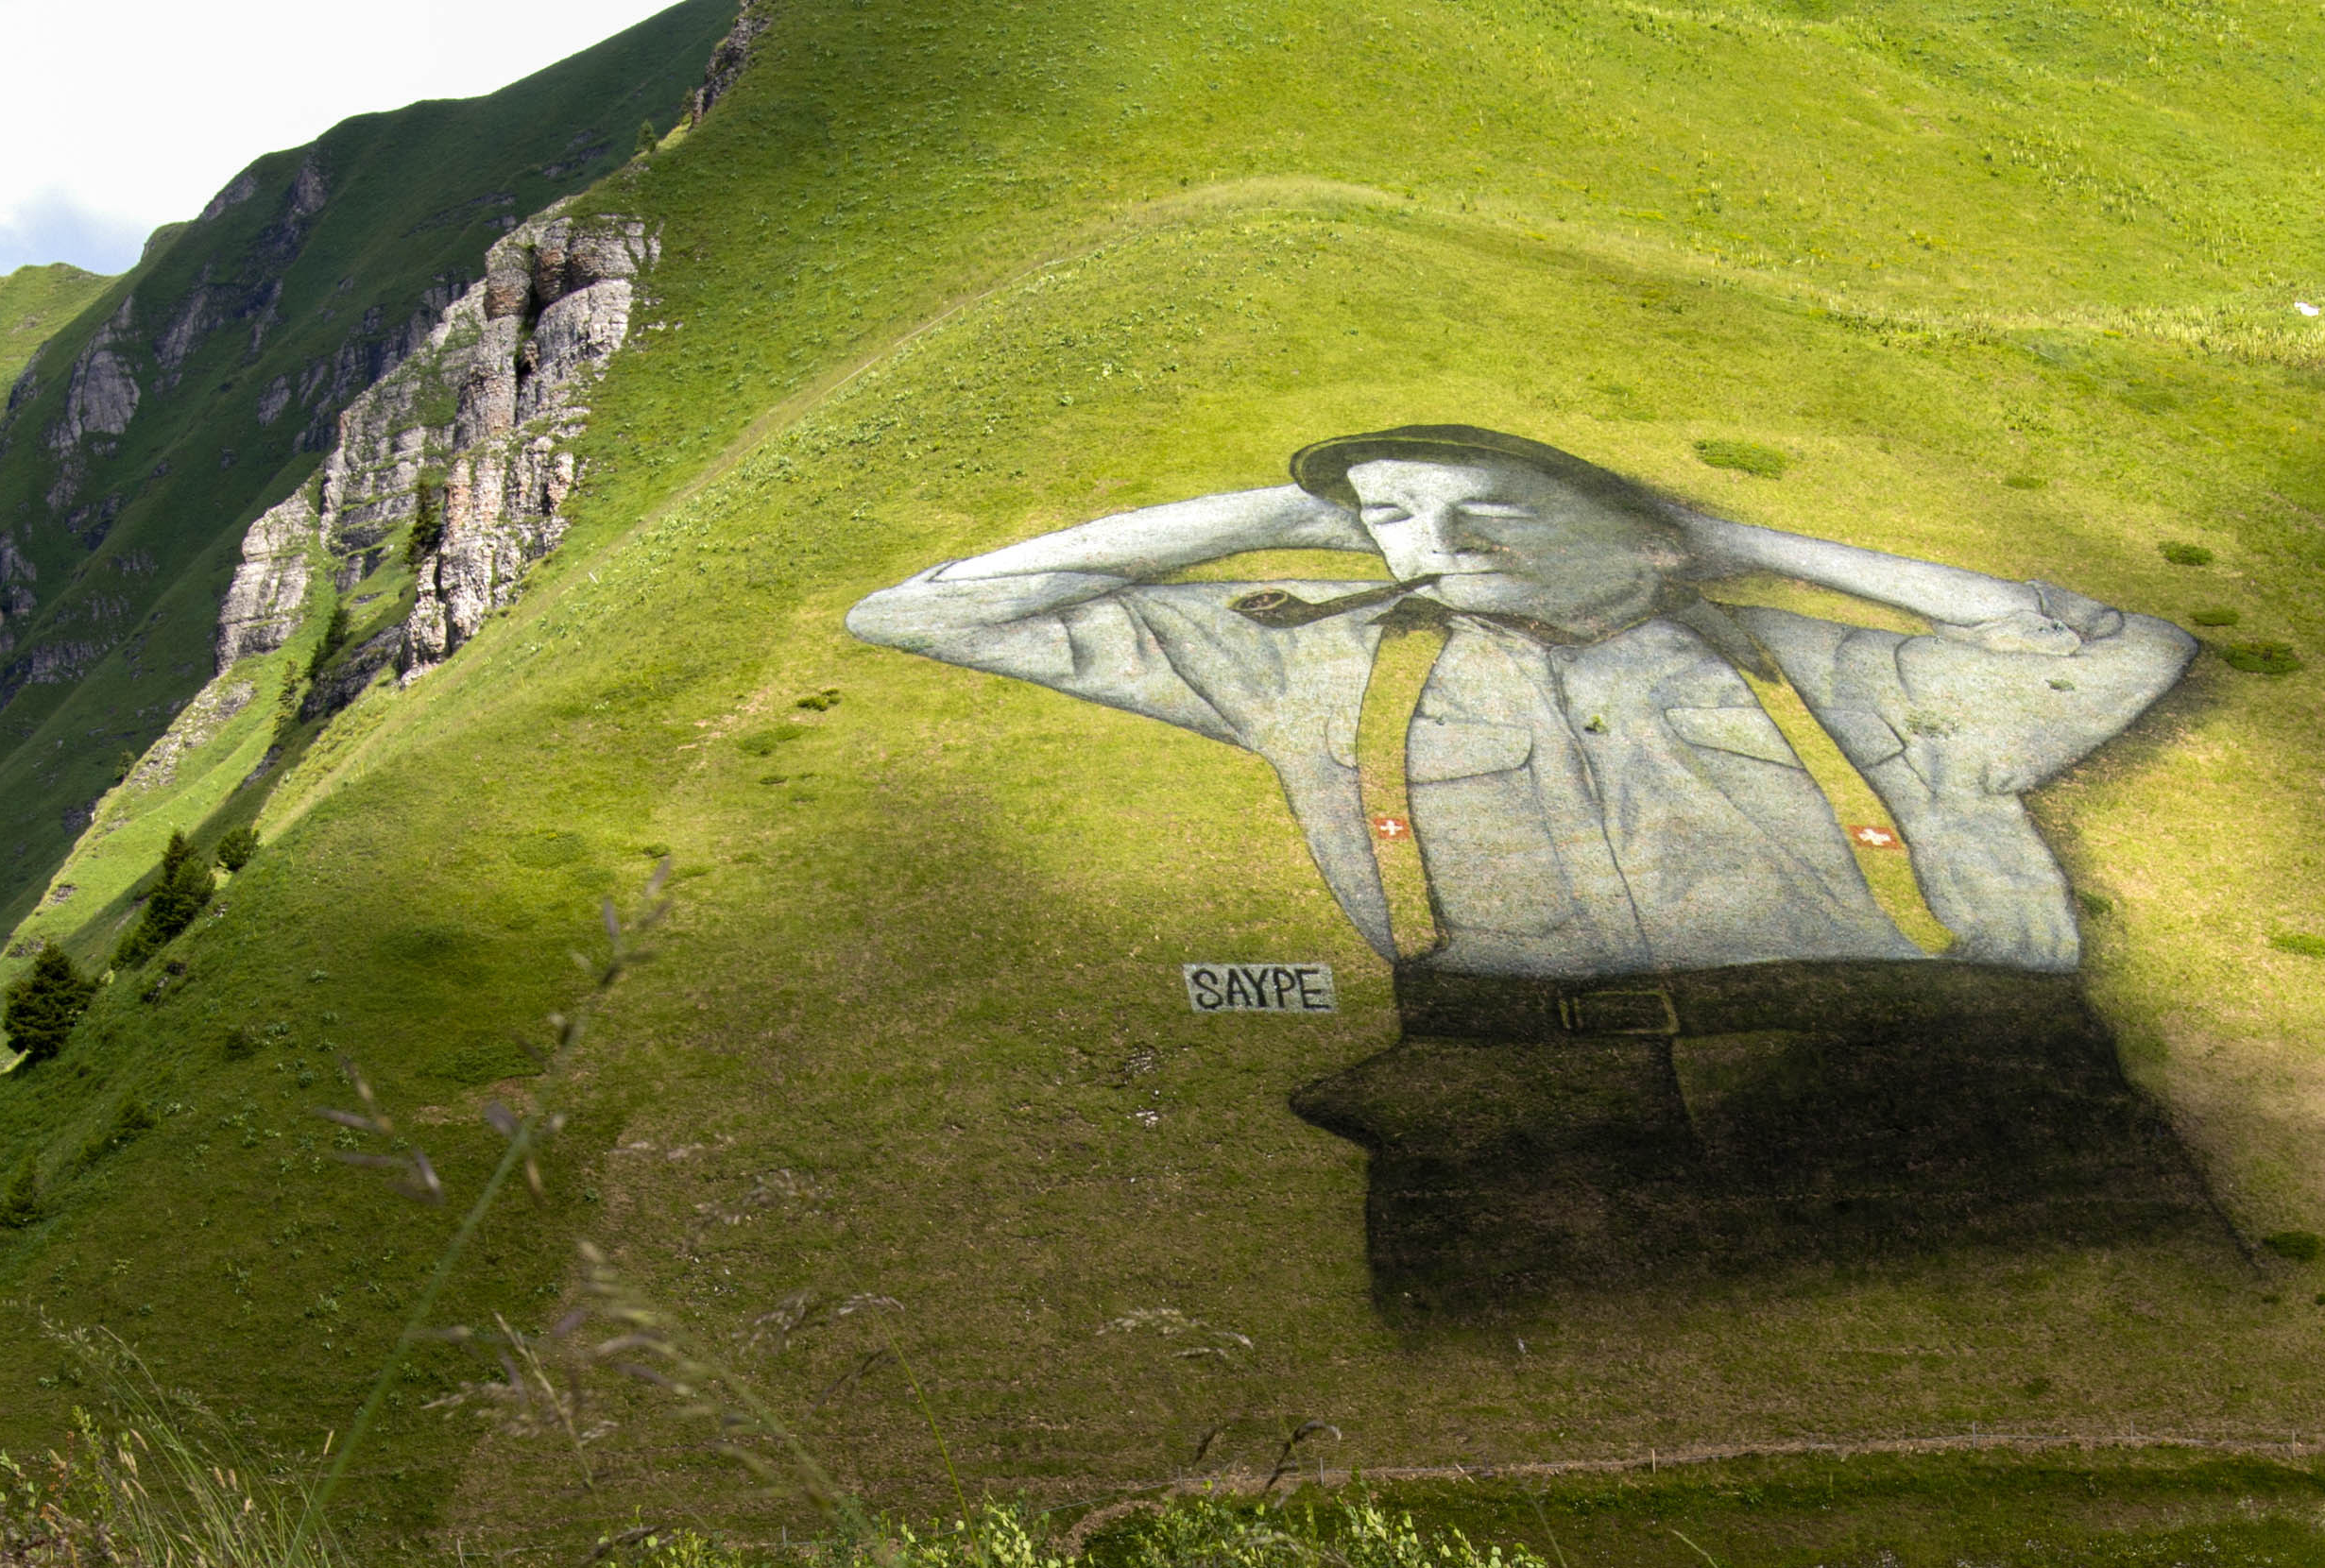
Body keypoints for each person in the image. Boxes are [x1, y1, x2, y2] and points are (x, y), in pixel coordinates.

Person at [848, 427, 2223, 1311]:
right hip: (1513, 1105)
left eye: (1493, 510)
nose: (1436, 551)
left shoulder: (1836, 667)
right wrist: (1266, 512)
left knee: (2135, 1356)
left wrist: (1738, 546)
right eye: (1394, 521)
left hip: (1923, 1073)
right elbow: (918, 611)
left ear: (1627, 527)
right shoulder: (1309, 667)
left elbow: (2125, 648)